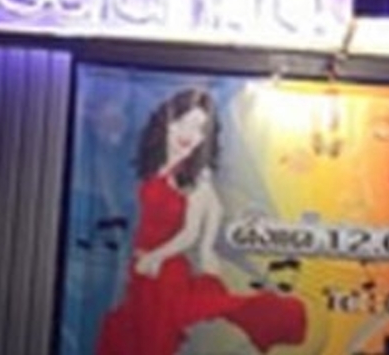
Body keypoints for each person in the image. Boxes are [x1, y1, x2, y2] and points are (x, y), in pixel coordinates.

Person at [97, 88, 306, 355]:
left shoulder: (195, 176)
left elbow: (190, 231)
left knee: (152, 342)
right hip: (141, 270)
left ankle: (283, 318)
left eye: (199, 129)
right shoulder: (157, 165)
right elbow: (215, 208)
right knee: (124, 336)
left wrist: (165, 255)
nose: (188, 134)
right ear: (168, 122)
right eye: (183, 122)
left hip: (163, 271)